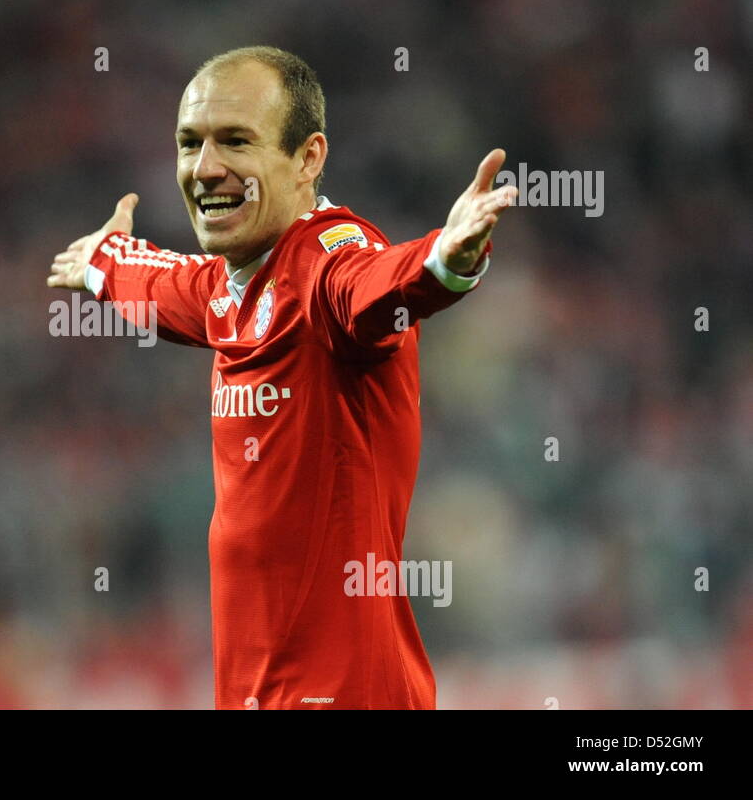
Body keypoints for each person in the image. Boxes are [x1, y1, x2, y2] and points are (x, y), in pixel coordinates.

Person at [46, 46, 518, 709]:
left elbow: (375, 288)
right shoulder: (228, 289)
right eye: (190, 143)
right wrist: (103, 259)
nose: (205, 168)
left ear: (308, 158)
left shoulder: (331, 261)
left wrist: (444, 259)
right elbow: (161, 284)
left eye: (236, 140)